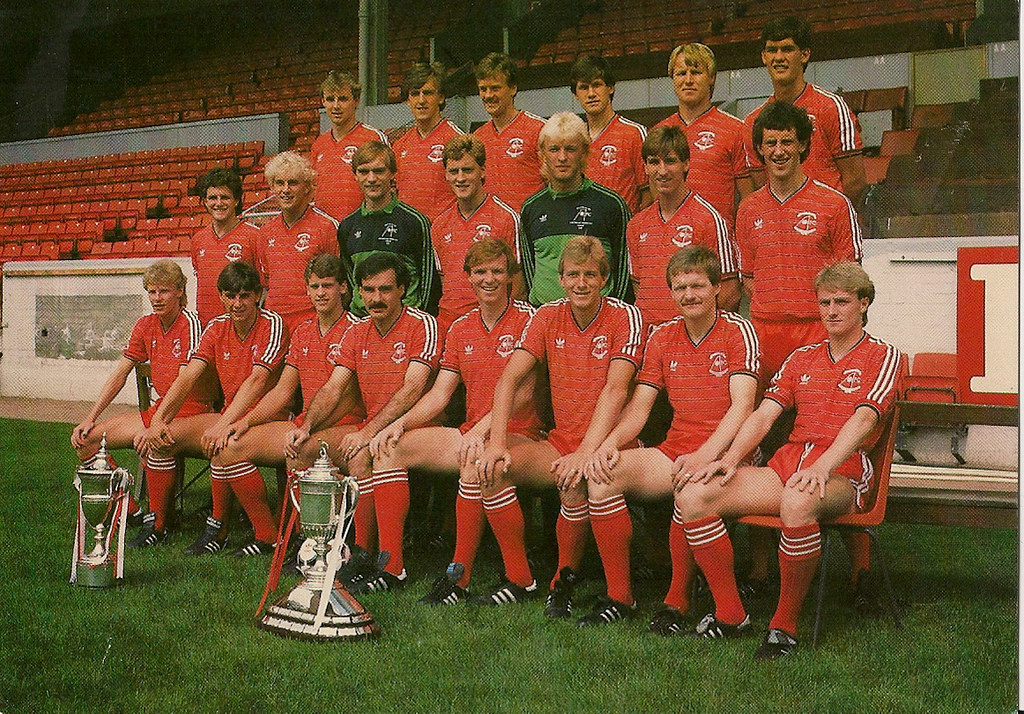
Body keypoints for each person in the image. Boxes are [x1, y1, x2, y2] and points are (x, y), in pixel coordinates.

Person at [684, 262, 905, 658]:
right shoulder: (802, 357)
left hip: (844, 472)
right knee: (695, 495)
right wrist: (732, 459)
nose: (832, 311)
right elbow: (765, 413)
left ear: (864, 303)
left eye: (842, 301)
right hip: (787, 466)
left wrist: (823, 467)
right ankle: (730, 614)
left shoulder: (885, 356)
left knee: (798, 501)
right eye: (825, 302)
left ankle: (783, 625)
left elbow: (864, 419)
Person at [577, 245, 759, 627]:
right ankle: (619, 596)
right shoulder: (662, 336)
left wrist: (707, 455)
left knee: (688, 488)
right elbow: (640, 408)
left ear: (716, 289)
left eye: (696, 286)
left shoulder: (738, 330)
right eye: (679, 288)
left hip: (729, 454)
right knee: (602, 475)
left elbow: (742, 407)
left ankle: (676, 600)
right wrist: (608, 445)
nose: (688, 295)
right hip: (675, 450)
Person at [369, 239, 542, 605]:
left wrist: (483, 430)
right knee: (389, 450)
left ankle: (460, 577)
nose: (489, 279)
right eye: (480, 272)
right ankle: (391, 566)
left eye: (497, 271)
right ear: (467, 277)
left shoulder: (529, 319)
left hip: (520, 433)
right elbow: (440, 394)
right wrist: (400, 423)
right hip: (471, 433)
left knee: (474, 465)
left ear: (510, 275)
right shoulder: (461, 326)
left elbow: (524, 394)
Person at [479, 236, 644, 616]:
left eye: (590, 275)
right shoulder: (547, 315)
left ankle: (584, 585)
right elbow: (508, 380)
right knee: (490, 470)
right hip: (560, 442)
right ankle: (520, 579)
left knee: (575, 480)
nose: (581, 283)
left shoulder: (625, 316)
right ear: (562, 279)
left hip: (610, 443)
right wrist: (496, 442)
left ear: (605, 278)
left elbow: (616, 390)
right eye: (573, 275)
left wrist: (586, 451)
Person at [284, 252, 439, 592]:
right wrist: (306, 424)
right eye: (368, 290)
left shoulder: (421, 324)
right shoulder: (357, 333)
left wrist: (369, 432)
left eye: (385, 289)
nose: (376, 298)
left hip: (418, 426)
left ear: (403, 290)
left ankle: (378, 558)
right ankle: (310, 545)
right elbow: (334, 386)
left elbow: (413, 387)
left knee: (371, 451)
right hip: (376, 426)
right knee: (304, 448)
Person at [202, 254, 364, 555]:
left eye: (327, 285)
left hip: (346, 425)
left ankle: (307, 541)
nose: (320, 293)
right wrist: (245, 422)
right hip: (307, 424)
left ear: (343, 287)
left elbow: (347, 397)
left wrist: (306, 428)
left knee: (300, 450)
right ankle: (269, 535)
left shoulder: (356, 329)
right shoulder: (303, 330)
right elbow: (282, 390)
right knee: (230, 445)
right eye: (314, 286)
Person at [135, 261, 288, 555]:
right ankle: (159, 524)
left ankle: (250, 532)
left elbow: (257, 381)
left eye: (245, 295)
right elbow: (189, 375)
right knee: (162, 438)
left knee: (225, 445)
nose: (238, 303)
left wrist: (222, 424)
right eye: (230, 296)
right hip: (229, 415)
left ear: (258, 294)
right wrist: (158, 420)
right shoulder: (217, 326)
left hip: (267, 418)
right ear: (220, 297)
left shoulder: (272, 323)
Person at [71, 260, 209, 547]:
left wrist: (156, 425)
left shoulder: (191, 323)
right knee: (86, 440)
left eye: (164, 291)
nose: (157, 298)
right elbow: (120, 372)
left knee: (156, 441)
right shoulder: (145, 324)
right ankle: (131, 511)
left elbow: (184, 384)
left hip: (192, 413)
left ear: (180, 292)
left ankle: (159, 525)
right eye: (152, 291)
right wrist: (90, 417)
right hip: (160, 410)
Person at [742, 16, 865, 207]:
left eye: (788, 49)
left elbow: (855, 182)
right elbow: (761, 187)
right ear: (764, 57)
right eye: (772, 50)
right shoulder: (753, 121)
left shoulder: (831, 107)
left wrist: (828, 221)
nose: (779, 57)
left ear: (805, 54)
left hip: (827, 225)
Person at [628, 125, 740, 326]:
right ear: (645, 167)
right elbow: (639, 287)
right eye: (654, 162)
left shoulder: (709, 219)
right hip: (649, 341)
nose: (662, 171)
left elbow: (729, 292)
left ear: (686, 164)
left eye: (670, 161)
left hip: (691, 340)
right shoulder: (637, 225)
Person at [519, 112, 632, 306]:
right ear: (542, 153)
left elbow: (624, 271)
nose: (562, 157)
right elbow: (530, 273)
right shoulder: (531, 208)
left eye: (570, 149)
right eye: (554, 149)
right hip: (545, 319)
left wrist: (612, 314)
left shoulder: (611, 204)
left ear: (584, 153)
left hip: (598, 321)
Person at [431, 135, 522, 335]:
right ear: (445, 175)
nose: (460, 178)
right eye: (453, 171)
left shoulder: (506, 217)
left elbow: (517, 286)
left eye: (468, 170)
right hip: (448, 326)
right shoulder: (439, 224)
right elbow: (446, 282)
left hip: (490, 324)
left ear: (482, 170)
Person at [336, 141, 439, 317]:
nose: (371, 179)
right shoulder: (347, 226)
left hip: (406, 323)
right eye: (363, 172)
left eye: (379, 171)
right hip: (362, 323)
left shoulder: (414, 221)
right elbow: (351, 282)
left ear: (392, 174)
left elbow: (430, 281)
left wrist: (419, 321)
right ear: (355, 175)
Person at [655, 43, 751, 226]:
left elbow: (747, 200)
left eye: (696, 72)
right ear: (673, 79)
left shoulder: (735, 129)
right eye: (681, 73)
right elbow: (655, 198)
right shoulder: (659, 131)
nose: (688, 80)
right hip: (673, 240)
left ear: (712, 78)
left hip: (715, 242)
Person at [257, 151, 340, 331]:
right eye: (279, 183)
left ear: (307, 187)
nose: (285, 190)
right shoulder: (265, 232)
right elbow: (267, 281)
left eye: (293, 183)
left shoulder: (326, 227)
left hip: (311, 322)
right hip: (274, 323)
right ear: (272, 187)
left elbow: (339, 283)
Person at [566, 54, 649, 214]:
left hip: (624, 234)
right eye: (584, 87)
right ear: (576, 95)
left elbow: (649, 193)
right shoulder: (573, 140)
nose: (591, 93)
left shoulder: (634, 133)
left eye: (597, 85)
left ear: (610, 87)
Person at [310, 70, 390, 222]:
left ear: (357, 100)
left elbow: (391, 185)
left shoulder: (373, 138)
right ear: (323, 102)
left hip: (364, 227)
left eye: (343, 99)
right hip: (327, 231)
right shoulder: (318, 145)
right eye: (330, 99)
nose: (336, 106)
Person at [472, 52, 546, 211]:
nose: (488, 95)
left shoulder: (539, 130)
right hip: (491, 229)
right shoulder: (477, 137)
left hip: (529, 227)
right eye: (483, 89)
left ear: (513, 88)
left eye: (495, 88)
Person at [393, 61, 464, 222]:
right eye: (415, 93)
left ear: (441, 97)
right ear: (408, 100)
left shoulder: (456, 140)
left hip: (444, 232)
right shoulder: (400, 146)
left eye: (428, 93)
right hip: (409, 233)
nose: (421, 100)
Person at [190, 168, 261, 327]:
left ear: (236, 200)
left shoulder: (255, 237)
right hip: (206, 328)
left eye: (225, 197)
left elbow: (262, 289)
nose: (219, 203)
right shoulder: (198, 240)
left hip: (243, 328)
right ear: (205, 201)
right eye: (213, 198)